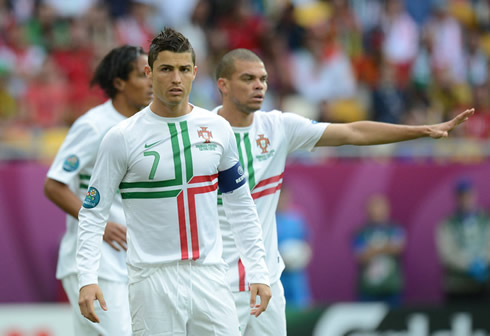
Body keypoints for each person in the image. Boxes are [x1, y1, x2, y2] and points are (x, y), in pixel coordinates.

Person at [213, 48, 474, 336]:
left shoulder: (278, 127)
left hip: (266, 282)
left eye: (262, 78)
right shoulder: (201, 133)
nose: (259, 85)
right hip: (219, 283)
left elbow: (353, 133)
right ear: (222, 84)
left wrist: (421, 130)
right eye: (248, 78)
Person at [76, 28, 271, 336]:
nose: (176, 79)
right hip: (152, 281)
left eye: (183, 69)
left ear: (195, 72)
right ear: (149, 72)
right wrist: (87, 278)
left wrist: (258, 270)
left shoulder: (218, 128)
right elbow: (92, 213)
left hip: (209, 275)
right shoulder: (121, 138)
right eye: (166, 69)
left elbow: (240, 205)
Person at [44, 45, 152, 336]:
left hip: (132, 262)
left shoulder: (147, 127)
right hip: (96, 261)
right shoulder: (93, 126)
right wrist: (100, 225)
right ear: (119, 83)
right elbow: (53, 184)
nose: (152, 82)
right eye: (143, 75)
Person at [436, 177, 490, 305]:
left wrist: (483, 262)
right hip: (457, 285)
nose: (466, 199)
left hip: (484, 284)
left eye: (468, 195)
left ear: (474, 195)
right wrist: (469, 265)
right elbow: (446, 253)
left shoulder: (485, 220)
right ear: (456, 198)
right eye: (462, 195)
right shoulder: (448, 223)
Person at [353, 194, 406, 307]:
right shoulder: (361, 233)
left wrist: (373, 249)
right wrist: (385, 247)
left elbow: (398, 248)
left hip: (391, 288)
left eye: (381, 207)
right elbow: (361, 256)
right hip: (368, 289)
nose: (377, 211)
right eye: (374, 207)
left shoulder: (395, 229)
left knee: (393, 321)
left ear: (387, 209)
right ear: (367, 210)